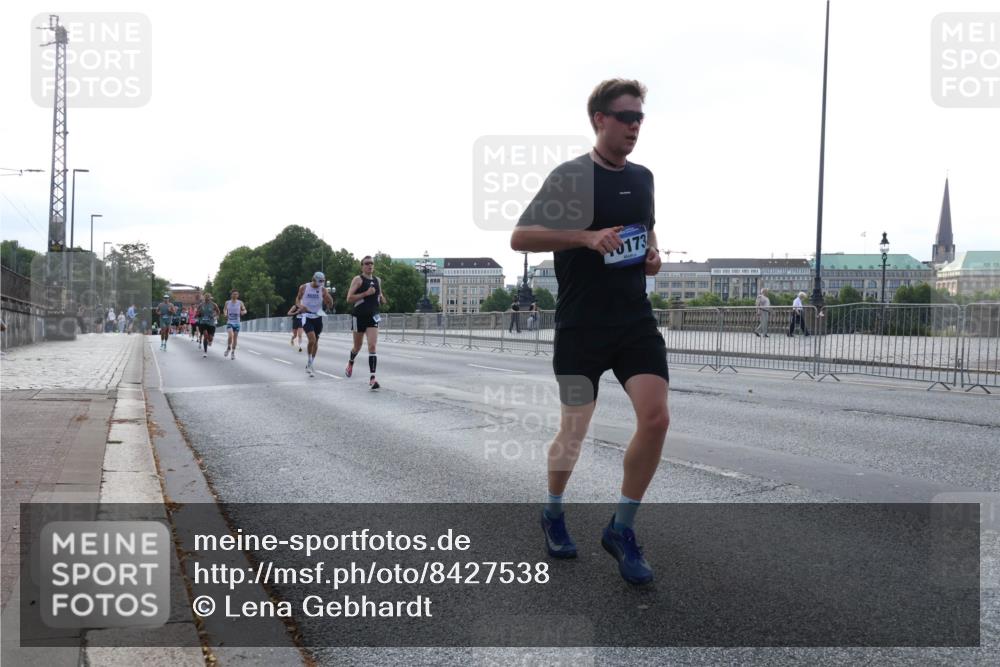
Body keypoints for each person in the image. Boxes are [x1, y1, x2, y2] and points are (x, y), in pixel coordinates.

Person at [510, 79, 668, 585]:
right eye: (625, 117)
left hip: (634, 321)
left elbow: (648, 230)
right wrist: (583, 236)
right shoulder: (571, 177)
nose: (635, 126)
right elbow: (520, 236)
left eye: (640, 117)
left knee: (656, 418)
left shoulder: (643, 177)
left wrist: (653, 256)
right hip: (581, 324)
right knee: (575, 428)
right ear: (599, 119)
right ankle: (553, 511)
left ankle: (621, 528)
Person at [345, 256, 387, 389]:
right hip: (359, 317)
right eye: (367, 263)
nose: (370, 266)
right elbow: (349, 298)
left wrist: (381, 298)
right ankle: (351, 362)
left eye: (372, 263)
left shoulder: (377, 280)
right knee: (357, 347)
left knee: (372, 346)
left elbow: (379, 295)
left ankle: (372, 378)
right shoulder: (358, 280)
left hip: (373, 317)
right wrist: (366, 293)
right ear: (362, 266)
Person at [296, 271, 335, 377]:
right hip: (306, 316)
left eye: (323, 281)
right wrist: (300, 306)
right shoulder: (304, 287)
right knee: (312, 340)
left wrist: (330, 301)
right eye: (320, 281)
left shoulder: (323, 290)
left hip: (318, 317)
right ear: (314, 279)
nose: (322, 283)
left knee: (316, 341)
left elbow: (329, 304)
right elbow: (298, 299)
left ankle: (311, 363)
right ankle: (309, 360)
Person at [222, 289, 247, 359]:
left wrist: (243, 312)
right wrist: (225, 313)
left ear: (238, 295)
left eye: (236, 294)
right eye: (234, 294)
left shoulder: (240, 303)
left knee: (235, 338)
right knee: (230, 336)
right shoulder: (227, 302)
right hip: (230, 322)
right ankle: (228, 347)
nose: (235, 295)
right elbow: (224, 309)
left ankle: (233, 352)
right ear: (231, 295)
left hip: (237, 323)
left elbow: (245, 309)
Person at [197, 293, 220, 358]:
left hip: (211, 323)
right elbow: (197, 313)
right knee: (205, 335)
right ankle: (205, 352)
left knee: (210, 338)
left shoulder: (213, 304)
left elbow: (218, 312)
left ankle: (210, 341)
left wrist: (215, 316)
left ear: (210, 298)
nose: (207, 298)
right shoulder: (201, 305)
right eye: (206, 297)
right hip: (203, 322)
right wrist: (198, 314)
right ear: (204, 298)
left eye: (208, 297)